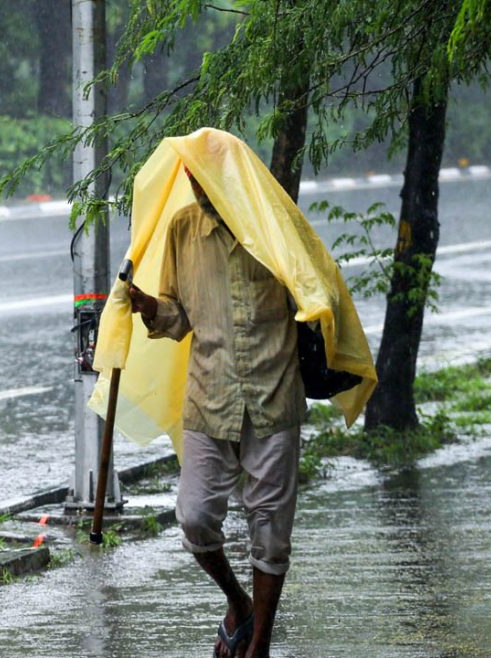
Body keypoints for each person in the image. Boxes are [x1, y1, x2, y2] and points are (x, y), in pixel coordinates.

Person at [126, 164, 304, 658]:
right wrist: (148, 307)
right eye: (195, 180)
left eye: (209, 178)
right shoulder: (183, 229)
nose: (201, 189)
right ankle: (238, 602)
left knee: (270, 531)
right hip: (210, 398)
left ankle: (260, 643)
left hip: (274, 391)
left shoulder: (273, 223)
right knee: (196, 517)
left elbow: (315, 290)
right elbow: (177, 315)